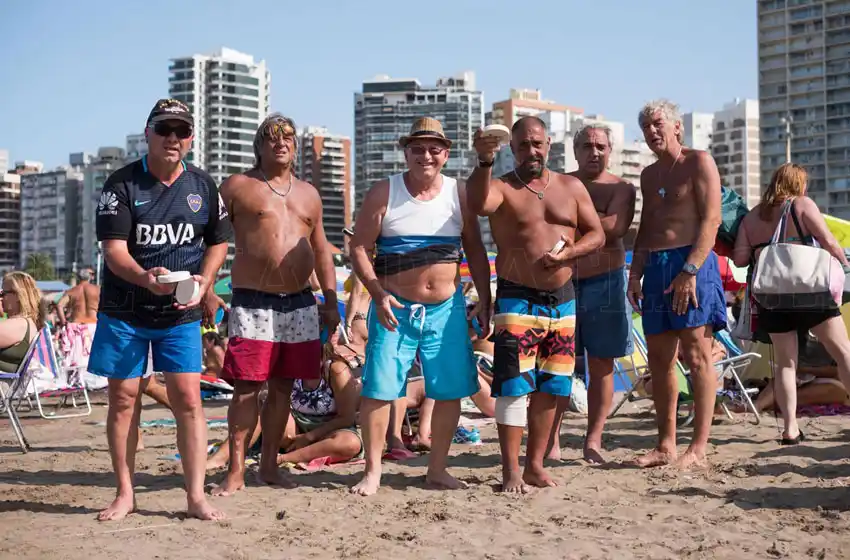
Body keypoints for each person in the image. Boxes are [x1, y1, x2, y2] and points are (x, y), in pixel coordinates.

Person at [89, 98, 232, 521]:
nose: (173, 138)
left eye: (182, 131)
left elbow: (218, 241)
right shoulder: (121, 184)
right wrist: (144, 277)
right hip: (126, 307)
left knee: (189, 399)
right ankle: (125, 493)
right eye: (165, 129)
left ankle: (195, 496)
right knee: (124, 398)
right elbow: (113, 251)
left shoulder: (203, 186)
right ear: (148, 132)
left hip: (180, 309)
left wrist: (206, 280)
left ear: (191, 138)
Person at [349, 117, 492, 496]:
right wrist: (378, 293)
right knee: (379, 389)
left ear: (445, 154)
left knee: (448, 390)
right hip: (395, 308)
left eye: (434, 148)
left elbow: (476, 251)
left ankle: (438, 468)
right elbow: (359, 247)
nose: (425, 155)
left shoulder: (458, 193)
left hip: (446, 309)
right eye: (417, 148)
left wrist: (486, 298)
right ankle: (373, 470)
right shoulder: (385, 191)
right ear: (406, 151)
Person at [467, 116, 605, 493]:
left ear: (549, 145)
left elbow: (597, 234)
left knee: (552, 386)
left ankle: (535, 465)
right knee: (513, 386)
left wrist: (568, 255)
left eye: (538, 143)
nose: (532, 151)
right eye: (524, 145)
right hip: (517, 296)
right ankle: (510, 470)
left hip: (563, 299)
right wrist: (483, 160)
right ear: (512, 148)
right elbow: (478, 204)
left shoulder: (571, 186)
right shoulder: (501, 187)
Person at [213, 113, 340, 496]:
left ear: (296, 147)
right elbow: (211, 238)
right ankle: (235, 470)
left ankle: (268, 465)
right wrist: (205, 286)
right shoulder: (238, 187)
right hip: (253, 301)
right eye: (271, 137)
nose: (280, 142)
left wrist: (331, 301)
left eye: (287, 137)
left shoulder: (309, 194)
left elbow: (322, 253)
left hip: (300, 303)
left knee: (284, 387)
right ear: (259, 146)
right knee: (247, 388)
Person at [627, 99, 726, 469]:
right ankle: (665, 444)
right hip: (656, 264)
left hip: (693, 262)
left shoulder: (699, 161)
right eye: (646, 128)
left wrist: (690, 270)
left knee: (697, 355)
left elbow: (711, 220)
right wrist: (635, 273)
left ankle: (699, 447)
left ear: (676, 127)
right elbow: (647, 227)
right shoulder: (649, 175)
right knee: (659, 358)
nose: (652, 132)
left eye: (657, 124)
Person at [732, 163, 850, 444]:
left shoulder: (751, 219)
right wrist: (843, 265)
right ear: (799, 185)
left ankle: (790, 429)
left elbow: (738, 261)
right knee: (843, 352)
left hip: (772, 298)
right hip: (809, 294)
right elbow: (829, 242)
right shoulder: (801, 204)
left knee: (785, 364)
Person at [546, 124, 637, 464]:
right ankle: (551, 440)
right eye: (587, 145)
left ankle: (593, 440)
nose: (594, 152)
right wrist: (594, 219)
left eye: (600, 146)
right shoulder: (559, 183)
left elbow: (614, 230)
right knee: (557, 365)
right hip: (564, 283)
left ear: (610, 150)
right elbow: (548, 223)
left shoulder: (622, 188)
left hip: (606, 282)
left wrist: (573, 220)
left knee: (602, 366)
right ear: (575, 149)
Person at [207, 334, 364, 470]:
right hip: (296, 425)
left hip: (330, 429)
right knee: (265, 410)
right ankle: (220, 458)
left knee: (350, 444)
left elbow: (346, 418)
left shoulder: (336, 370)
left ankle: (283, 459)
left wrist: (309, 437)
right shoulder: (291, 365)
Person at [56, 268, 99, 372]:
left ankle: (77, 383)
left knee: (75, 360)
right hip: (93, 326)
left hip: (75, 327)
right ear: (90, 277)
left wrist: (63, 323)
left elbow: (59, 306)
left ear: (78, 278)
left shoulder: (72, 291)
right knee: (93, 357)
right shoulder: (97, 290)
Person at [0, 272, 44, 373]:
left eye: (3, 293)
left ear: (17, 295)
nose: (1, 298)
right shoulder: (26, 322)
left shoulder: (19, 324)